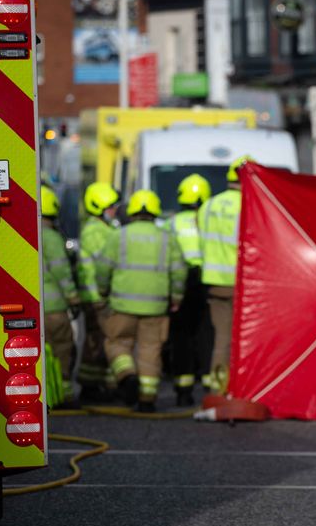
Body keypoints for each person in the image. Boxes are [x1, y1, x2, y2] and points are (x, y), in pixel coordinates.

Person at [95, 190, 186, 412]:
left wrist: (103, 290)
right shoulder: (167, 238)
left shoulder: (119, 236)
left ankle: (126, 376)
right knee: (150, 350)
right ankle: (147, 399)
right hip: (156, 306)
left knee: (116, 343)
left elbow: (103, 267)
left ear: (132, 211)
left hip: (122, 305)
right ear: (155, 212)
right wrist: (176, 297)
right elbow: (179, 271)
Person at [197, 155, 252, 394]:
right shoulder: (249, 204)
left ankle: (218, 388)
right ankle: (239, 388)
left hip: (214, 282)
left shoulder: (209, 205)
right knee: (245, 338)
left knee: (221, 337)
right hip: (242, 283)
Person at [166, 173, 213, 405]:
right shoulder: (209, 220)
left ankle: (183, 390)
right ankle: (209, 384)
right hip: (205, 281)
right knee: (206, 334)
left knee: (180, 336)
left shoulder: (172, 223)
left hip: (180, 282)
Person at [77, 181, 121, 402]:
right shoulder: (95, 231)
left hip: (100, 297)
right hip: (96, 297)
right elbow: (106, 261)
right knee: (97, 342)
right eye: (110, 207)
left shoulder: (104, 228)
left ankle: (98, 385)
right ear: (97, 207)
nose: (114, 210)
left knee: (102, 340)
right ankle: (90, 387)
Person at [41, 186, 80, 407]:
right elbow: (62, 273)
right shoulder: (52, 237)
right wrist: (73, 299)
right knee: (62, 349)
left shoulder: (24, 231)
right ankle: (64, 395)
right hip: (54, 307)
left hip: (33, 306)